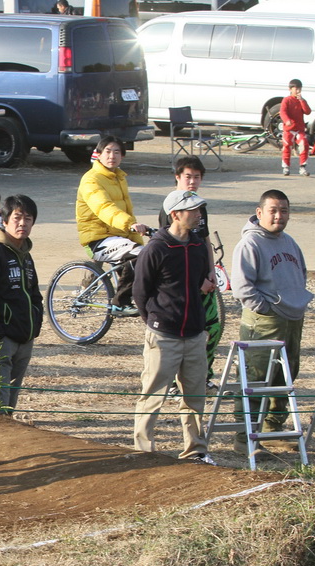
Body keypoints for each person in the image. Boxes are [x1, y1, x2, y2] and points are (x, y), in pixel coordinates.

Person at [132, 190, 214, 465]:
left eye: (199, 209)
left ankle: (196, 451)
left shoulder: (199, 246)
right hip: (163, 335)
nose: (199, 214)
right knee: (152, 396)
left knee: (194, 398)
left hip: (193, 335)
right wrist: (156, 321)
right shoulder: (156, 248)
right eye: (193, 209)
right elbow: (141, 292)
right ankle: (143, 452)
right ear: (175, 214)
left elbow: (201, 283)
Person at [230, 189, 313, 454]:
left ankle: (273, 429)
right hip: (264, 321)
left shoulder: (289, 242)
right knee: (256, 378)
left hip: (292, 318)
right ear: (260, 212)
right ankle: (245, 437)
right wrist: (265, 309)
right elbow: (242, 287)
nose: (279, 216)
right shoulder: (250, 244)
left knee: (285, 376)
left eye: (284, 210)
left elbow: (300, 272)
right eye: (273, 210)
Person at [0, 194, 43, 414]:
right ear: (4, 221)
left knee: (11, 400)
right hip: (1, 338)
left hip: (25, 337)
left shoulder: (25, 254)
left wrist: (35, 324)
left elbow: (34, 294)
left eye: (28, 218)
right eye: (17, 217)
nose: (22, 223)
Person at [158, 156, 222, 386]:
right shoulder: (171, 210)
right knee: (183, 337)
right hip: (184, 289)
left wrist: (211, 270)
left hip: (204, 278)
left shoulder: (200, 207)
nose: (193, 181)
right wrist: (196, 283)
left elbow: (205, 241)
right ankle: (177, 383)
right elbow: (173, 258)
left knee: (212, 327)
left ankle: (204, 376)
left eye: (197, 177)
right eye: (188, 177)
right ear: (178, 177)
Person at [76, 135, 150, 313]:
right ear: (99, 154)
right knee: (138, 255)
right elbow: (104, 208)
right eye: (108, 151)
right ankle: (119, 303)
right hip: (98, 239)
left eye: (117, 152)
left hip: (118, 237)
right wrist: (130, 224)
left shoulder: (118, 177)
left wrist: (137, 233)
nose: (112, 156)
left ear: (122, 156)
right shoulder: (91, 180)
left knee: (148, 255)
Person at [280, 78, 311, 177]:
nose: (298, 91)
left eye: (299, 89)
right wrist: (286, 120)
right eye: (296, 89)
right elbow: (283, 112)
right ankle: (286, 166)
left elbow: (307, 111)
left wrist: (302, 101)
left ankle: (302, 167)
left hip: (299, 129)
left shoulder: (301, 101)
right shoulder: (286, 100)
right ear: (290, 89)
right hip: (289, 129)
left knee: (304, 144)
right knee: (287, 146)